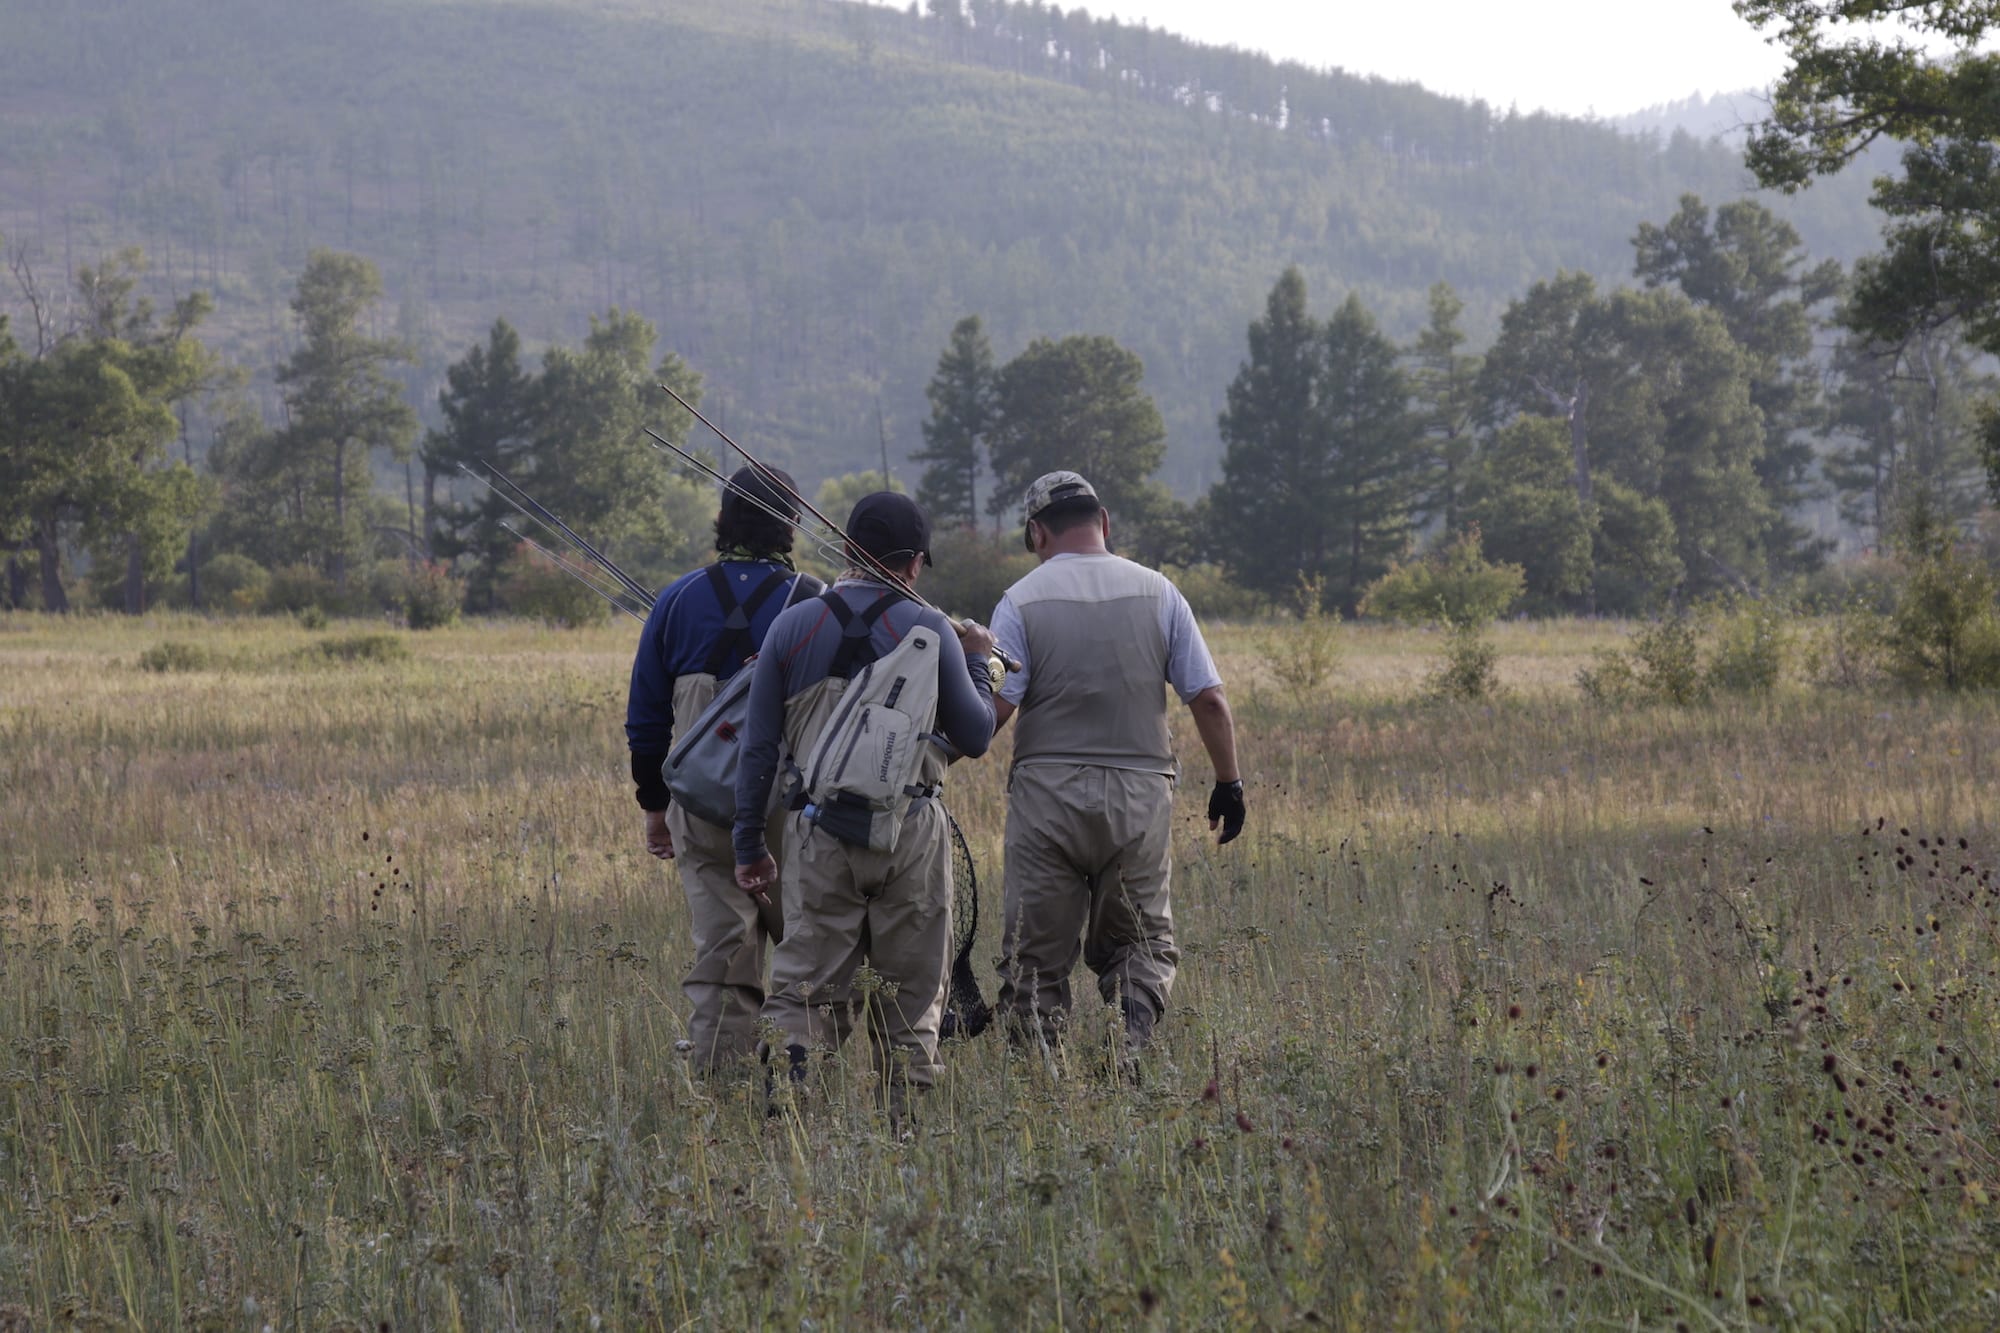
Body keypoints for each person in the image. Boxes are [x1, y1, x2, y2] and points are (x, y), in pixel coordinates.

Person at [733, 491, 999, 1113]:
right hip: (911, 832)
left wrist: (749, 845)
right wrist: (981, 663)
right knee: (911, 1000)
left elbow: (757, 751)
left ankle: (790, 1124)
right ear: (914, 564)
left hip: (818, 833)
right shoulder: (933, 631)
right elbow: (977, 735)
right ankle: (902, 1138)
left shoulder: (790, 627)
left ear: (848, 549)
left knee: (803, 994)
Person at [988, 471, 1244, 1060]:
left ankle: (1041, 1078)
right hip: (1139, 797)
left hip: (1046, 797)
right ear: (1104, 523)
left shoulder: (1019, 602)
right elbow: (1208, 698)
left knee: (1034, 950)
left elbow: (995, 710)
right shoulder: (1160, 593)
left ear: (1036, 534)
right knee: (1143, 940)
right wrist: (1229, 783)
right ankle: (1128, 1044)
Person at [624, 466, 823, 1074]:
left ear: (723, 519)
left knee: (722, 957)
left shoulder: (676, 598)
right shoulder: (816, 600)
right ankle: (793, 1084)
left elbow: (647, 721)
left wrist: (656, 807)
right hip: (791, 809)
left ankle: (721, 1089)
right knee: (806, 950)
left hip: (701, 804)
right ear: (791, 525)